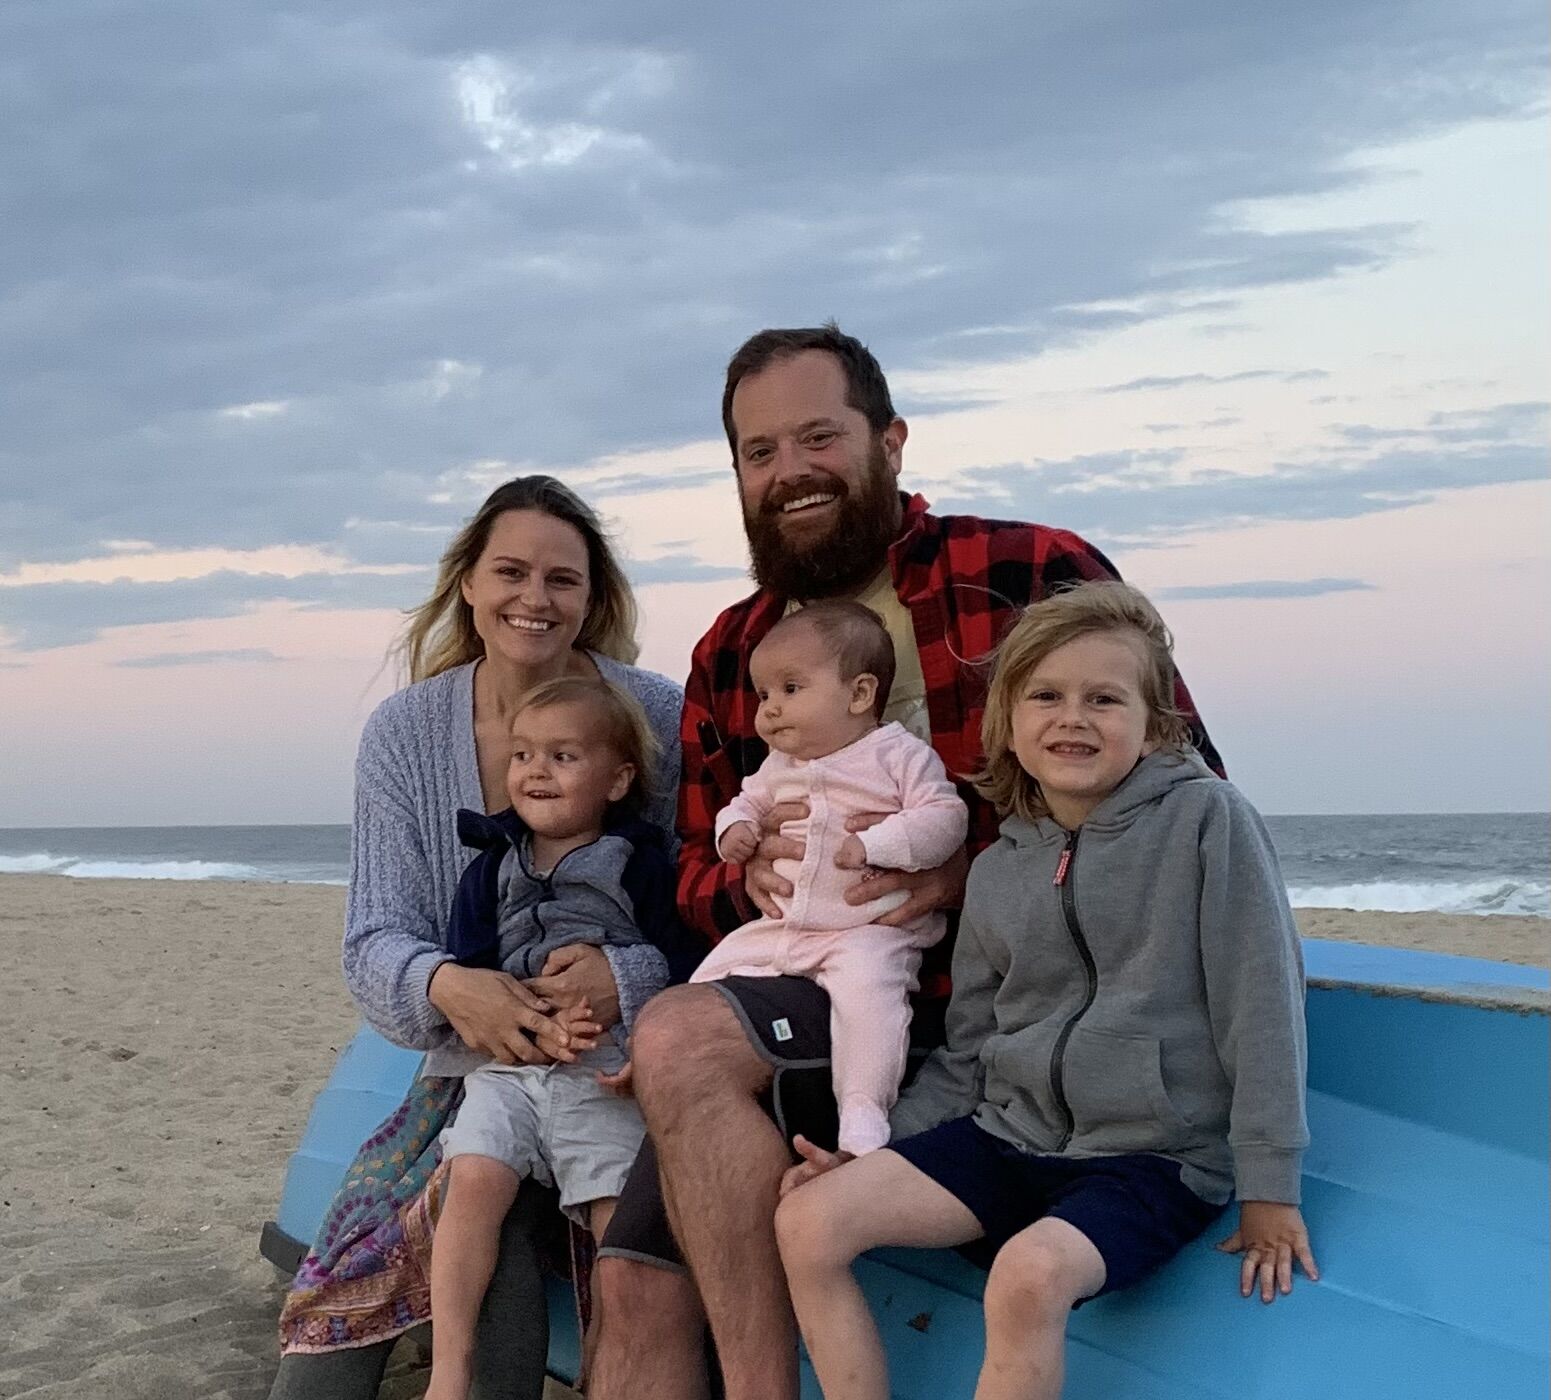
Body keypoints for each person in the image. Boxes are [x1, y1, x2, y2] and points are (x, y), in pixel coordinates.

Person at [588, 325, 1222, 1400]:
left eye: (817, 436)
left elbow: (1178, 797)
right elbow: (689, 868)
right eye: (758, 451)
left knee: (680, 1035)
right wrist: (743, 872)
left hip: (995, 1018)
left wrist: (963, 864)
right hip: (803, 992)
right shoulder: (732, 651)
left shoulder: (1029, 570)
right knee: (638, 1291)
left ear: (890, 440)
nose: (788, 470)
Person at [775, 580, 1316, 1400]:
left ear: (1154, 723)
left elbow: (1263, 1005)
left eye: (1104, 698)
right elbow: (971, 1049)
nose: (1072, 717)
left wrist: (1269, 1186)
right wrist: (870, 1154)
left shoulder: (1207, 822)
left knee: (1026, 1277)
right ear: (1009, 724)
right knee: (807, 1221)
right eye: (1046, 696)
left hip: (1153, 1159)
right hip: (1010, 1136)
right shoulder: (998, 868)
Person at [270, 476, 684, 1400]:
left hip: (610, 1070)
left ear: (592, 597)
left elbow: (698, 902)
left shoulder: (651, 714)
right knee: (338, 1335)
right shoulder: (405, 732)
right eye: (510, 572)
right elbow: (372, 936)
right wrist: (453, 986)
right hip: (469, 1079)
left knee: (596, 1263)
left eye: (561, 580)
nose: (534, 599)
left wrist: (628, 976)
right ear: (467, 582)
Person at [426, 677, 693, 1400]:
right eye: (521, 755)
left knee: (617, 1219)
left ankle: (608, 1367)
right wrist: (517, 1009)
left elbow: (682, 962)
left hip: (600, 1067)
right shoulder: (491, 866)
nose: (535, 771)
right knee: (471, 1182)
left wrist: (619, 988)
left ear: (618, 779)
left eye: (563, 756)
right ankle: (450, 1368)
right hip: (509, 1064)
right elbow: (467, 966)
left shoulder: (640, 864)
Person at [691, 601, 968, 1155]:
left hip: (869, 929)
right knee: (704, 981)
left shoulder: (896, 755)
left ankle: (864, 1118)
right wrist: (735, 834)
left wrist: (877, 844)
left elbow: (945, 818)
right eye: (764, 695)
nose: (768, 711)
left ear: (859, 694)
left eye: (790, 689)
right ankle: (648, 1058)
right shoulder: (778, 765)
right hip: (785, 925)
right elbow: (740, 803)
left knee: (871, 1006)